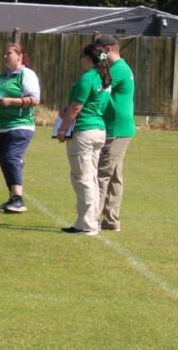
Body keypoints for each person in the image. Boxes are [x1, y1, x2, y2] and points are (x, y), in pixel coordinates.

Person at [57, 44, 112, 235]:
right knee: (91, 176)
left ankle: (88, 224)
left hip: (84, 131)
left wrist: (62, 129)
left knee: (82, 177)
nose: (80, 59)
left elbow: (76, 107)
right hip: (98, 129)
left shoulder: (88, 78)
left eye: (82, 56)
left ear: (88, 58)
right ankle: (88, 220)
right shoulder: (105, 79)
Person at [0, 43, 41, 213]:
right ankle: (12, 198)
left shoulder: (26, 74)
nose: (5, 56)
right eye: (4, 53)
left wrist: (10, 101)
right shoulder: (3, 76)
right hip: (1, 127)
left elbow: (35, 100)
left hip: (20, 126)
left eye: (8, 53)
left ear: (19, 56)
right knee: (5, 161)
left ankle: (18, 199)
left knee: (10, 158)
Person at [95, 34, 135, 232]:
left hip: (117, 129)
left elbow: (97, 86)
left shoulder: (117, 69)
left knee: (101, 174)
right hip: (119, 127)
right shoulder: (121, 67)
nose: (97, 55)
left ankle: (93, 218)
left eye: (99, 51)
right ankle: (111, 220)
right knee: (114, 175)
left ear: (108, 49)